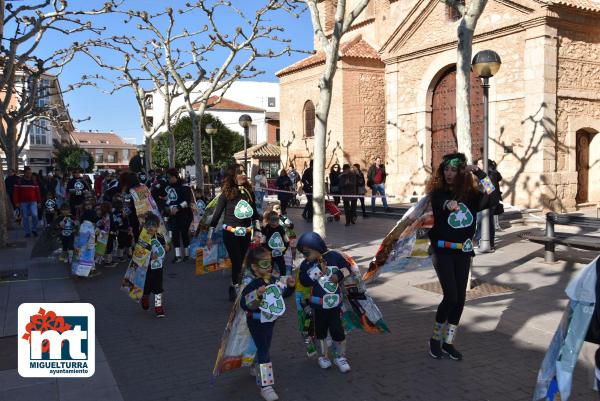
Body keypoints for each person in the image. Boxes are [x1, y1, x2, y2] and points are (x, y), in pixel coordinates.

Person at [426, 152, 500, 361]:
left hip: (463, 251)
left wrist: (479, 172)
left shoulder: (471, 195)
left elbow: (492, 196)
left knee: (460, 300)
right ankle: (434, 339)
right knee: (450, 295)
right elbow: (441, 202)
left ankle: (448, 342)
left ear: (461, 172)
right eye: (446, 169)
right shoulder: (439, 192)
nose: (449, 173)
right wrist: (449, 205)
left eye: (453, 169)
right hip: (442, 251)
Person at [240, 246, 296, 401]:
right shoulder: (251, 284)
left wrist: (290, 286)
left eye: (270, 262)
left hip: (270, 321)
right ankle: (266, 385)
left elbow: (282, 294)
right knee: (264, 350)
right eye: (264, 264)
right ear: (254, 267)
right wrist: (256, 294)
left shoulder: (273, 279)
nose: (269, 266)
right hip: (256, 321)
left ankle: (255, 365)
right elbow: (244, 304)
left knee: (264, 346)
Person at [297, 231, 352, 373]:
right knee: (320, 332)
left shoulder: (334, 256)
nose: (305, 256)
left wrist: (338, 275)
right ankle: (323, 357)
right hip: (318, 306)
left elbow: (348, 269)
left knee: (338, 331)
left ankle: (340, 356)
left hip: (335, 305)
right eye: (303, 253)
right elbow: (303, 281)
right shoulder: (306, 264)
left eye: (307, 253)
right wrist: (316, 271)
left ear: (317, 247)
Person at [208, 164, 261, 301]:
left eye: (244, 172)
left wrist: (258, 233)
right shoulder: (226, 194)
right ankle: (237, 289)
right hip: (230, 233)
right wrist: (209, 236)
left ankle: (233, 285)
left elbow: (254, 214)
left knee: (241, 261)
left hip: (246, 233)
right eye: (240, 172)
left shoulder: (249, 192)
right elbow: (216, 216)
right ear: (233, 176)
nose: (244, 174)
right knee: (237, 261)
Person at [139, 212, 170, 318]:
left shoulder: (160, 236)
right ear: (145, 226)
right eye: (149, 225)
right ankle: (145, 298)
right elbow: (138, 251)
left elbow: (165, 247)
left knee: (158, 286)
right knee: (146, 285)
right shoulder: (143, 237)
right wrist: (148, 255)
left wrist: (167, 248)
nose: (151, 228)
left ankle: (158, 306)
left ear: (157, 227)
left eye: (154, 226)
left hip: (157, 266)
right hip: (146, 267)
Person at [164, 168, 194, 263]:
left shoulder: (184, 186)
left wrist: (178, 208)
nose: (168, 179)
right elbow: (169, 199)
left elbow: (187, 201)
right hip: (173, 215)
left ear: (174, 176)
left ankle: (187, 254)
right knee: (175, 234)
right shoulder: (169, 187)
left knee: (184, 234)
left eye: (169, 177)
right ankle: (177, 256)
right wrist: (167, 207)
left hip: (184, 214)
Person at [12, 166, 41, 237]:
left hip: (33, 202)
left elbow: (38, 192)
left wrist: (39, 202)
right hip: (23, 202)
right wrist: (16, 202)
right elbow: (15, 193)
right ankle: (27, 232)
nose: (29, 174)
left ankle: (34, 229)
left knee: (35, 215)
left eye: (30, 173)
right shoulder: (19, 181)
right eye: (28, 173)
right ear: (24, 173)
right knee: (25, 217)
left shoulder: (34, 182)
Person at [261, 211, 289, 276]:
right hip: (270, 251)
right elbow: (263, 240)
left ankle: (283, 278)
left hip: (279, 250)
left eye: (276, 221)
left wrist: (284, 249)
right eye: (272, 221)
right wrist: (265, 249)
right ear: (269, 221)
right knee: (270, 266)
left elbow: (286, 240)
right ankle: (268, 279)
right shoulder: (267, 228)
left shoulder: (280, 228)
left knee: (282, 266)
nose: (274, 223)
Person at [112, 199, 132, 263]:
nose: (120, 206)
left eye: (121, 204)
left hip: (128, 228)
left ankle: (130, 255)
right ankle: (120, 256)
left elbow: (130, 216)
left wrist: (130, 227)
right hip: (121, 230)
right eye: (118, 205)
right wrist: (121, 217)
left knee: (129, 242)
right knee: (121, 243)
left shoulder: (124, 210)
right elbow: (116, 223)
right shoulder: (115, 213)